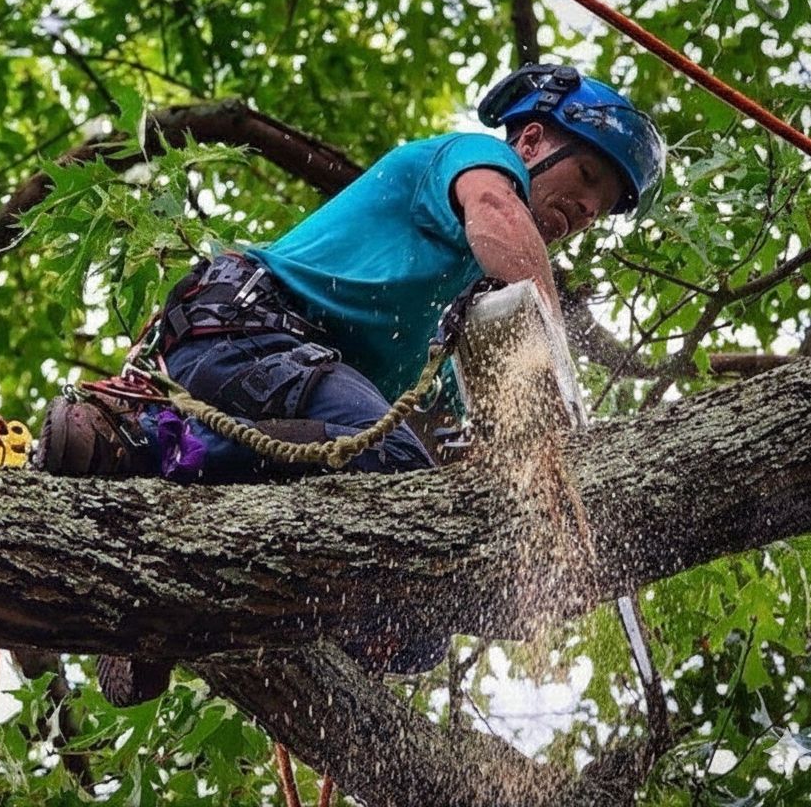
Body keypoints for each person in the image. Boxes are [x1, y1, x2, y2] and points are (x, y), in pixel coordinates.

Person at [37, 63, 665, 696]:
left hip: (278, 375)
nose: (586, 208)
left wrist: (528, 493)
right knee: (387, 461)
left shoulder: (453, 312)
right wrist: (553, 359)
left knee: (418, 623)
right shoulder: (471, 162)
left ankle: (166, 604)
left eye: (601, 208)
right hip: (242, 329)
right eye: (586, 176)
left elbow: (460, 431)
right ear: (531, 142)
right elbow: (498, 214)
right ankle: (147, 440)